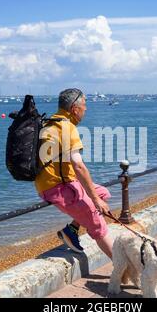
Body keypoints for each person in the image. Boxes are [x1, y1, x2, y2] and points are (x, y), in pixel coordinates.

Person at [35, 88, 114, 259]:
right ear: (74, 108)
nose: (86, 109)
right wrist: (94, 200)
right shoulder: (67, 128)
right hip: (58, 188)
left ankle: (71, 230)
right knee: (97, 223)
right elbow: (79, 166)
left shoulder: (49, 122)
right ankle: (125, 269)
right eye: (84, 105)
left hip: (52, 184)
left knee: (103, 193)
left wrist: (96, 197)